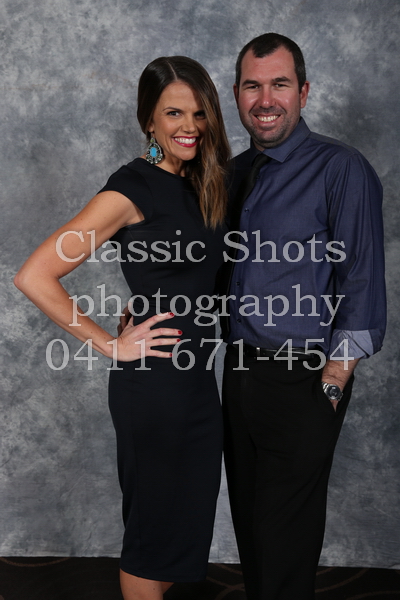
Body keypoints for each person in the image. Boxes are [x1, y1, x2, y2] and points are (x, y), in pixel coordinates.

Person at [14, 55, 230, 600]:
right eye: (173, 113)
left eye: (199, 113)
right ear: (149, 120)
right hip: (154, 389)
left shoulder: (199, 183)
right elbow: (35, 275)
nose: (189, 126)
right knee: (152, 541)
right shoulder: (131, 188)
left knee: (180, 536)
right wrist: (110, 343)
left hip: (197, 384)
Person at [220, 33, 386, 600]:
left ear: (304, 92)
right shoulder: (233, 173)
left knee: (285, 541)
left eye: (280, 84)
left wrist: (333, 383)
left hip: (305, 378)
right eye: (252, 86)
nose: (265, 100)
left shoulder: (341, 168)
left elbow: (361, 279)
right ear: (237, 95)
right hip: (238, 373)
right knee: (252, 533)